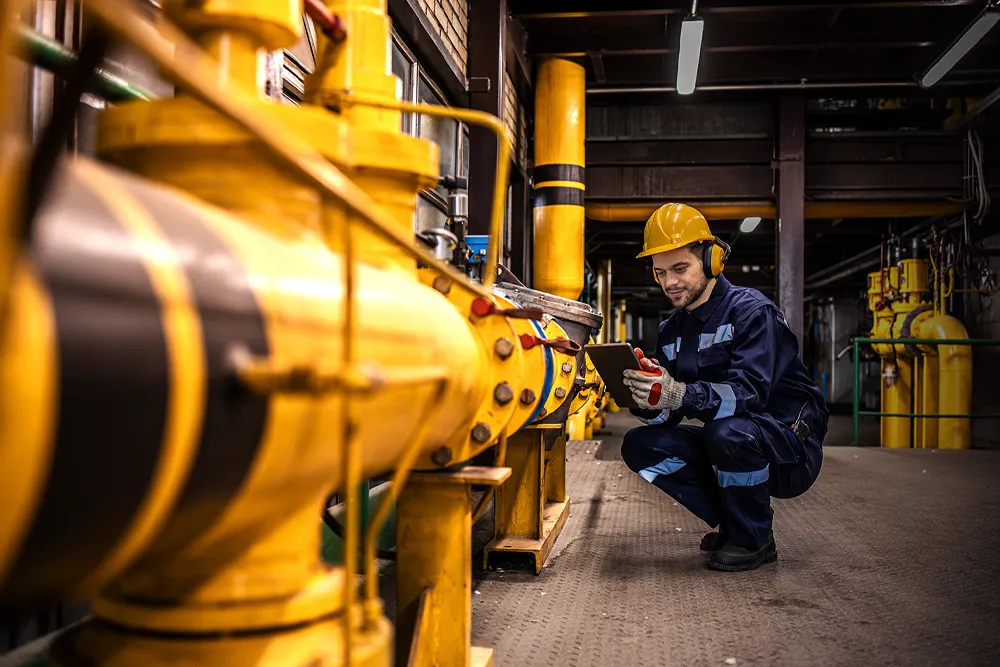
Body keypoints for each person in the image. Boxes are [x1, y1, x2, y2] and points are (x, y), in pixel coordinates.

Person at [620, 203, 827, 572]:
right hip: (732, 437)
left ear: (712, 260)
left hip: (790, 446)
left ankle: (754, 539)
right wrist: (646, 397)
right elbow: (669, 413)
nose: (670, 282)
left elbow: (748, 394)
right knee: (640, 444)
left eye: (680, 268)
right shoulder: (671, 331)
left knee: (727, 431)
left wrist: (680, 393)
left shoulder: (751, 312)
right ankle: (736, 522)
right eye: (661, 272)